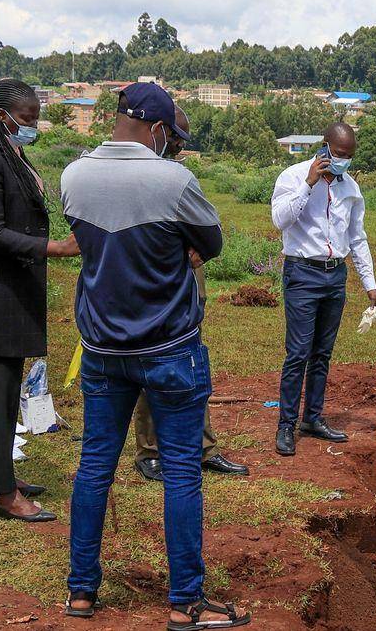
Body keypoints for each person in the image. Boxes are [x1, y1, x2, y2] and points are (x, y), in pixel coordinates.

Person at [59, 83, 248, 628]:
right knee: (184, 470)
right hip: (169, 348)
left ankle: (81, 594)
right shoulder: (174, 180)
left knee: (95, 466)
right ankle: (187, 602)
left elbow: (88, 242)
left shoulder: (73, 176)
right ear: (160, 131)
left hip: (100, 349)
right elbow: (210, 243)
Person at [0, 78, 79, 523]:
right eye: (26, 120)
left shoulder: (6, 148)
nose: (32, 126)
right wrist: (54, 248)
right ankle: (6, 495)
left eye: (35, 119)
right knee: (1, 387)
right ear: (2, 113)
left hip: (13, 283)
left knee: (5, 389)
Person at [131, 105, 248, 481]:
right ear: (160, 131)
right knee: (151, 363)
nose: (180, 146)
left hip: (186, 281)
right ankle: (149, 451)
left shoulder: (180, 177)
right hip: (149, 283)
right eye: (177, 138)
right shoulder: (133, 177)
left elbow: (207, 226)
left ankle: (204, 447)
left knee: (192, 362)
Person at [268, 121, 376, 456]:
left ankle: (312, 418)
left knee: (322, 353)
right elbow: (280, 220)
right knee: (298, 352)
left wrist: (370, 283)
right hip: (303, 273)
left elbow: (357, 238)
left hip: (335, 276)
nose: (344, 160)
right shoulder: (293, 176)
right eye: (339, 153)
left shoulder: (351, 189)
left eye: (349, 156)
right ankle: (286, 425)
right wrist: (309, 185)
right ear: (325, 146)